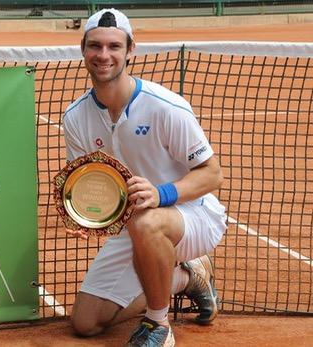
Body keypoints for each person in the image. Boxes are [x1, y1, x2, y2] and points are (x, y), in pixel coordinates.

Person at [62, 8, 227, 347]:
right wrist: (87, 217)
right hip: (134, 224)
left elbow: (212, 175)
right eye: (95, 46)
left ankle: (158, 324)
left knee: (146, 221)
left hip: (192, 215)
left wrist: (161, 193)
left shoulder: (165, 107)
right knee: (86, 322)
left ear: (130, 50)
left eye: (113, 46)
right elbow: (89, 184)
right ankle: (188, 277)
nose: (103, 55)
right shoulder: (76, 117)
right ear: (83, 49)